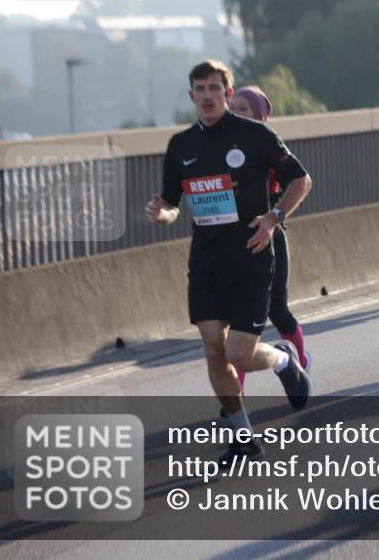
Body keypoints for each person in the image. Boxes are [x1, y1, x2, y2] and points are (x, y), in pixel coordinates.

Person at [146, 60, 312, 465]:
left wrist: (274, 218)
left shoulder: (254, 135)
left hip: (252, 256)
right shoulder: (181, 146)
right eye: (199, 89)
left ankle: (283, 360)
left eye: (214, 88)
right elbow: (171, 204)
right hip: (205, 263)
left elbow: (301, 179)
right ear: (191, 96)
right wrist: (161, 213)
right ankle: (244, 438)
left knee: (239, 354)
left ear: (227, 92)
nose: (207, 95)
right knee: (212, 350)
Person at [229, 86, 310, 392]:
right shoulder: (218, 147)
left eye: (243, 109)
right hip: (232, 243)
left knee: (277, 311)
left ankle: (300, 367)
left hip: (269, 239)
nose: (235, 113)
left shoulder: (267, 144)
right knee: (237, 324)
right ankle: (235, 395)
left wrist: (274, 217)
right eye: (232, 107)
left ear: (259, 115)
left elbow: (301, 182)